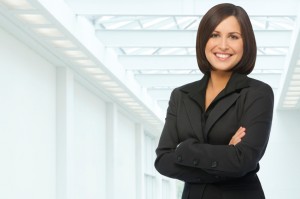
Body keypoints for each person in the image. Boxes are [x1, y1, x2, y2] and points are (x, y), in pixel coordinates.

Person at [154, 3, 274, 199]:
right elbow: (163, 161)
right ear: (203, 40)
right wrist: (226, 153)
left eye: (233, 37)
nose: (223, 45)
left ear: (246, 43)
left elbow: (243, 161)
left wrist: (185, 149)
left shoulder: (257, 93)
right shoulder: (181, 95)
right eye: (214, 35)